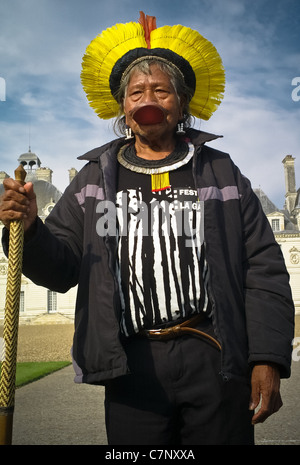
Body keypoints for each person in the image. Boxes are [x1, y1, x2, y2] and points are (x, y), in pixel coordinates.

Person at [0, 12, 295, 445]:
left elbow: (264, 268)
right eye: (136, 92)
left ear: (182, 102)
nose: (146, 99)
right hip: (129, 363)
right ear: (123, 107)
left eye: (160, 90)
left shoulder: (220, 171)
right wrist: (27, 228)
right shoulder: (93, 179)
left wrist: (268, 358)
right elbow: (60, 268)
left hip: (213, 353)